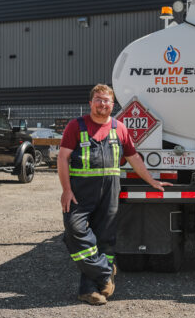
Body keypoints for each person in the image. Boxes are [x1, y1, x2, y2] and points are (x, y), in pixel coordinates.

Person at [58, 84, 172, 305]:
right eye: (98, 99)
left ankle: (90, 290)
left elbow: (133, 157)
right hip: (80, 192)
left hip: (110, 192)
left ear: (113, 105)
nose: (102, 104)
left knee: (105, 241)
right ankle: (104, 273)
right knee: (74, 230)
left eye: (107, 100)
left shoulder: (119, 128)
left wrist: (151, 180)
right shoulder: (76, 126)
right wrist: (66, 189)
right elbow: (62, 158)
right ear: (90, 103)